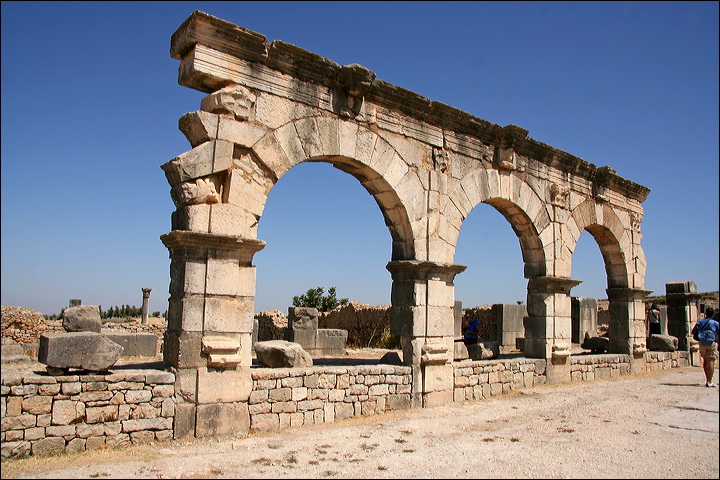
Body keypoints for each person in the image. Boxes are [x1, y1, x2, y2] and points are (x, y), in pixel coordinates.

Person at [691, 307, 720, 387]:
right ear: (713, 314)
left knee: (705, 360)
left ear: (705, 313)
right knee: (711, 360)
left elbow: (693, 333)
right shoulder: (715, 323)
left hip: (702, 343)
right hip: (711, 342)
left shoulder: (700, 322)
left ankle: (707, 378)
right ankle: (710, 381)